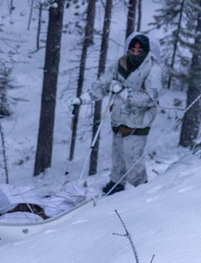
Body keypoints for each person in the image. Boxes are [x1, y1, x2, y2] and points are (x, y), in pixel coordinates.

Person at [68, 32, 161, 194]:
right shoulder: (120, 64)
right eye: (133, 51)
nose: (136, 54)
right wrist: (82, 99)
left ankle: (141, 188)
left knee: (132, 156)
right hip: (119, 117)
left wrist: (124, 92)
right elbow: (103, 84)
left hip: (139, 120)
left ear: (146, 52)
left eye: (140, 52)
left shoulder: (153, 69)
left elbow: (150, 98)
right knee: (118, 151)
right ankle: (117, 181)